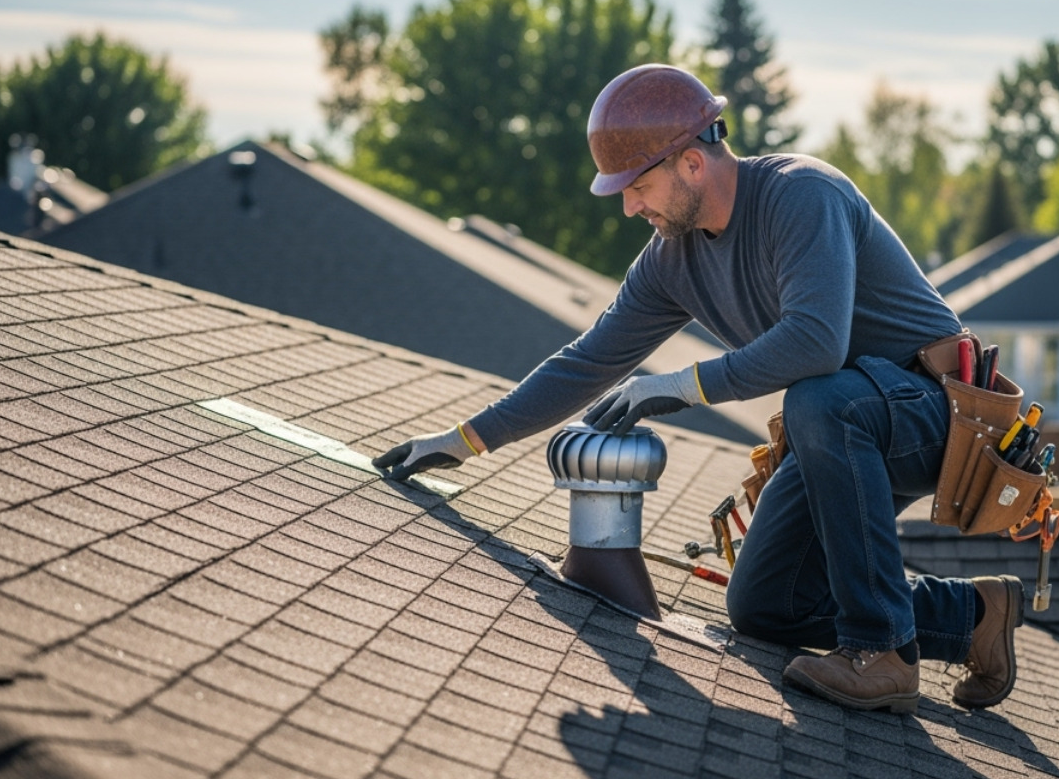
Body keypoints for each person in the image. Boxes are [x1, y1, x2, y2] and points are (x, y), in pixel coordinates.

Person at [373, 63, 1024, 715]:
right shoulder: (670, 261)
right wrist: (463, 440)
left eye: (639, 185)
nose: (630, 206)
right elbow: (588, 361)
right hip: (839, 422)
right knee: (766, 604)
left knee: (818, 399)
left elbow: (815, 342)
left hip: (933, 411)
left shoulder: (802, 196)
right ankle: (973, 617)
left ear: (691, 162)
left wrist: (683, 385)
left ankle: (882, 652)